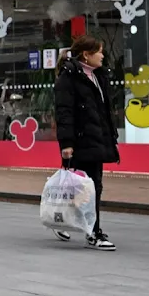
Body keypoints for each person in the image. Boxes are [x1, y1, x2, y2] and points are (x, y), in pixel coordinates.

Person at [55, 35, 120, 250]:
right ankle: (93, 233)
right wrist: (66, 143)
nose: (102, 55)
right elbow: (64, 112)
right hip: (81, 140)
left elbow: (104, 112)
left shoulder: (99, 76)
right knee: (89, 186)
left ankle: (67, 220)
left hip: (97, 138)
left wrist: (111, 137)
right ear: (86, 54)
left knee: (90, 186)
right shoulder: (69, 77)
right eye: (99, 51)